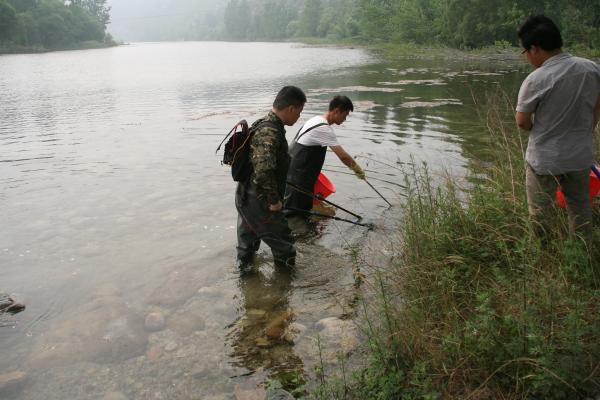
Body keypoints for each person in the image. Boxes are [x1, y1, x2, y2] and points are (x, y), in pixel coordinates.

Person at [515, 15, 600, 242]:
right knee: (580, 208)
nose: (527, 58)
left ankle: (544, 254)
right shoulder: (592, 69)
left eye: (525, 52)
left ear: (534, 49)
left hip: (545, 160)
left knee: (541, 213)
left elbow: (522, 121)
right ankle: (582, 254)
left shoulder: (536, 79)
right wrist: (585, 131)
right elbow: (596, 107)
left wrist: (538, 129)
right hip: (580, 156)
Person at [235, 86, 306, 273]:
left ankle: (248, 288)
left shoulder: (263, 123)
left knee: (247, 245)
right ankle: (284, 291)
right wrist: (274, 201)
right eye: (299, 112)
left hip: (245, 196)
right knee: (285, 247)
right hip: (259, 200)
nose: (299, 117)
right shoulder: (270, 132)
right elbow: (264, 170)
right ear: (291, 108)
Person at [284, 95, 365, 218]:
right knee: (295, 213)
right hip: (298, 178)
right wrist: (357, 170)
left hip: (293, 172)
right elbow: (343, 157)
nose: (345, 119)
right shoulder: (323, 128)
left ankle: (303, 235)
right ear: (337, 111)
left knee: (298, 209)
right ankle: (295, 234)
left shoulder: (315, 120)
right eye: (345, 115)